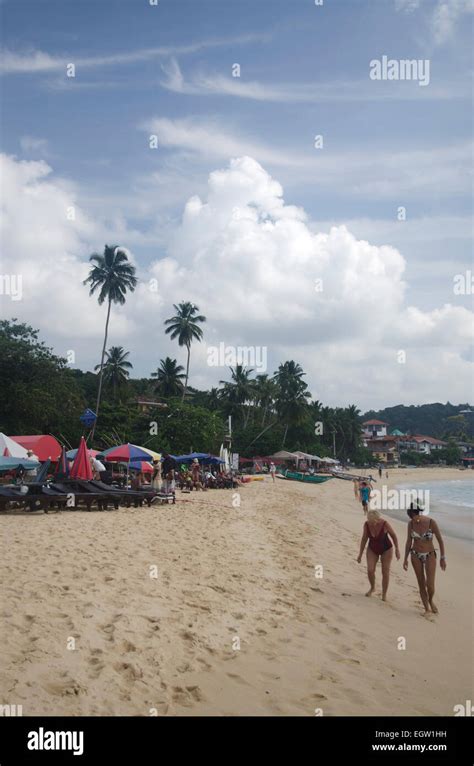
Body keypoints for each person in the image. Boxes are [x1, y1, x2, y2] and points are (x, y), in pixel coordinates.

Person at [403, 504, 446, 615]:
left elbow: (440, 540)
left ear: (414, 513)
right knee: (421, 582)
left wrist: (442, 558)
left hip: (430, 554)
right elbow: (409, 541)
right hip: (415, 554)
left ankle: (430, 600)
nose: (412, 519)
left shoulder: (431, 522)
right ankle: (426, 608)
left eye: (411, 516)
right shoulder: (410, 524)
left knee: (430, 584)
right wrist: (405, 558)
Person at [357, 509, 400, 600]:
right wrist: (360, 554)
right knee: (370, 569)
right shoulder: (366, 524)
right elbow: (364, 539)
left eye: (373, 522)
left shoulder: (384, 524)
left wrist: (397, 549)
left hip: (386, 549)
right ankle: (372, 587)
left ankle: (384, 594)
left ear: (378, 520)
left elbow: (394, 536)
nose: (371, 524)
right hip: (372, 548)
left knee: (385, 571)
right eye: (369, 521)